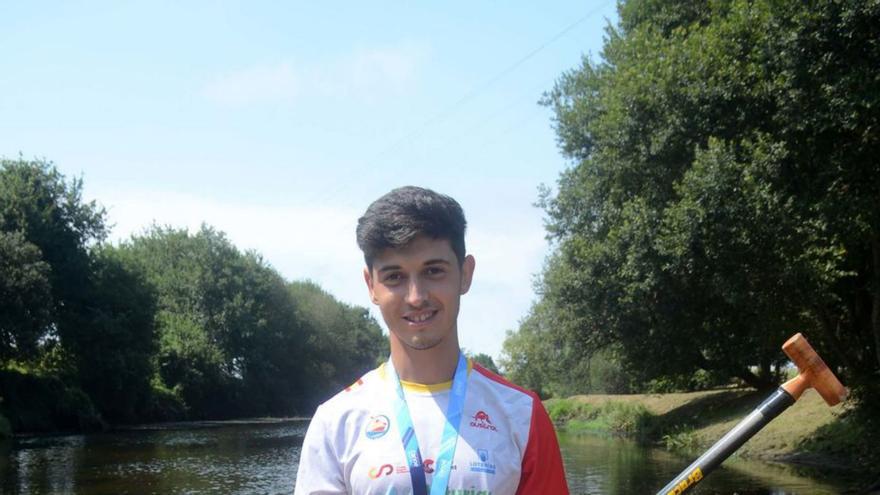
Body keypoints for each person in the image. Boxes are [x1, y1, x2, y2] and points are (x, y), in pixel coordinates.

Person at [294, 186, 569, 494]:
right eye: (394, 277)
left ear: (465, 274)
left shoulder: (521, 413)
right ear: (371, 285)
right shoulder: (335, 421)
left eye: (434, 271)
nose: (416, 297)